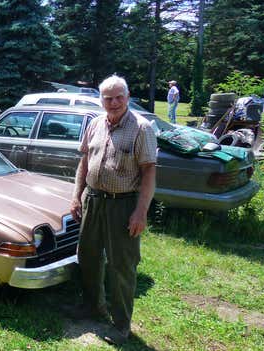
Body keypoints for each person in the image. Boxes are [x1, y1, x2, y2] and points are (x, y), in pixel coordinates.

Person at [68, 75, 157, 345]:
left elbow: (149, 173)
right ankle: (92, 306)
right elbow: (84, 163)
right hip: (93, 200)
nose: (114, 102)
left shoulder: (141, 128)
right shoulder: (95, 124)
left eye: (119, 97)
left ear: (128, 98)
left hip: (123, 204)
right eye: (108, 98)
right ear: (101, 100)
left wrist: (140, 212)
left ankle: (121, 325)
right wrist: (76, 197)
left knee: (121, 266)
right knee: (88, 257)